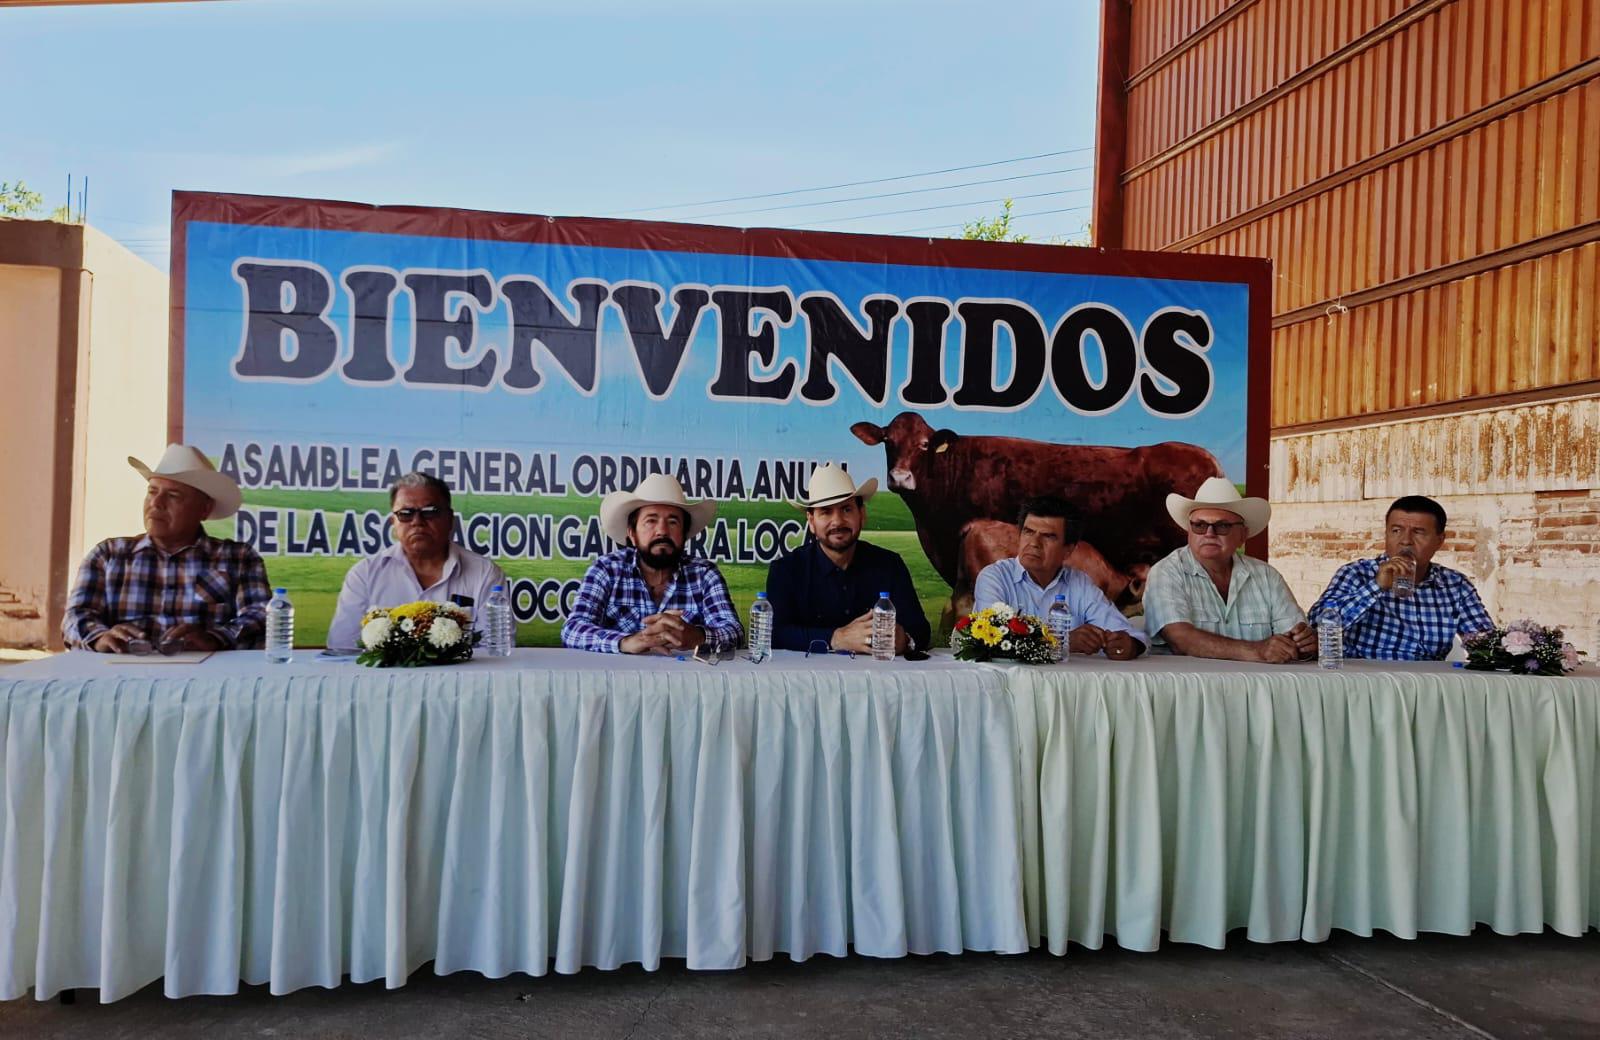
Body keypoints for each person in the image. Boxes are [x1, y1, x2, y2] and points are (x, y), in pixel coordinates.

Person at [62, 443, 271, 652]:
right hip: (124, 668)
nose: (156, 503)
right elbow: (75, 616)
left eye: (173, 496)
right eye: (152, 492)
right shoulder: (108, 555)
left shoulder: (239, 558)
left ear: (204, 509)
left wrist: (215, 637)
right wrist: (100, 637)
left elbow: (260, 614)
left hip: (207, 670)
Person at [562, 473, 743, 654]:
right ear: (632, 533)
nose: (662, 531)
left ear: (685, 534)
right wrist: (625, 641)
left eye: (673, 522)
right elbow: (572, 629)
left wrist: (698, 636)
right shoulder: (607, 569)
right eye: (651, 521)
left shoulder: (704, 574)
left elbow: (734, 632)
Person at [327, 472, 509, 649]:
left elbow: (494, 650)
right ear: (393, 522)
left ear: (450, 519)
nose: (417, 522)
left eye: (429, 512)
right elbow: (343, 648)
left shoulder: (484, 573)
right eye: (406, 513)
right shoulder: (365, 574)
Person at [1143, 477, 1316, 662]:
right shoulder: (1167, 572)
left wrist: (1304, 643)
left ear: (1243, 535)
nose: (1209, 533)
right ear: (1189, 532)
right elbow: (1181, 639)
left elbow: (1294, 637)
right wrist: (1257, 651)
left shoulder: (1267, 576)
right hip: (1189, 680)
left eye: (1222, 526)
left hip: (1257, 680)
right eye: (1199, 525)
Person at [765, 463, 931, 655]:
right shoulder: (786, 570)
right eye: (826, 511)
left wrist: (905, 640)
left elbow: (920, 630)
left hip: (879, 673)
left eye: (846, 509)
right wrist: (836, 638)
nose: (837, 521)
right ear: (811, 521)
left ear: (862, 515)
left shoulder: (889, 565)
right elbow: (776, 634)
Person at [1308, 495, 1494, 660]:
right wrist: (1376, 587)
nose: (1405, 541)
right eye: (1396, 531)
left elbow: (1486, 644)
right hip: (1366, 680)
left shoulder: (1455, 585)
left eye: (1418, 532)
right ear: (1386, 534)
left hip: (1427, 682)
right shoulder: (1357, 573)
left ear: (1439, 541)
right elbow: (1317, 624)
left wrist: (1504, 647)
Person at [972, 495, 1145, 660]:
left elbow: (1131, 635)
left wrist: (1130, 645)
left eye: (1048, 536)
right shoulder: (995, 578)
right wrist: (1063, 642)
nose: (1034, 543)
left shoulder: (1080, 584)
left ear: (1068, 550)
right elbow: (992, 640)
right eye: (1028, 532)